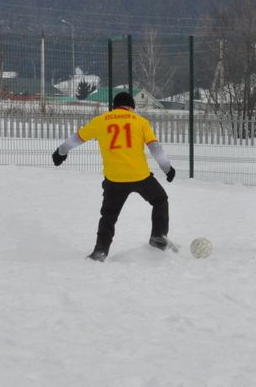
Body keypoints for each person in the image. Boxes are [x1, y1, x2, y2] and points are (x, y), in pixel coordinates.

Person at [51, 91, 176, 262]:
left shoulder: (101, 121)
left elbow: (77, 138)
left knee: (109, 216)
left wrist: (60, 152)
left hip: (114, 178)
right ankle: (158, 238)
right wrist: (167, 168)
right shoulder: (140, 122)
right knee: (160, 200)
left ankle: (100, 250)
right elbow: (155, 148)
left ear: (114, 107)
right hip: (140, 175)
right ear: (131, 107)